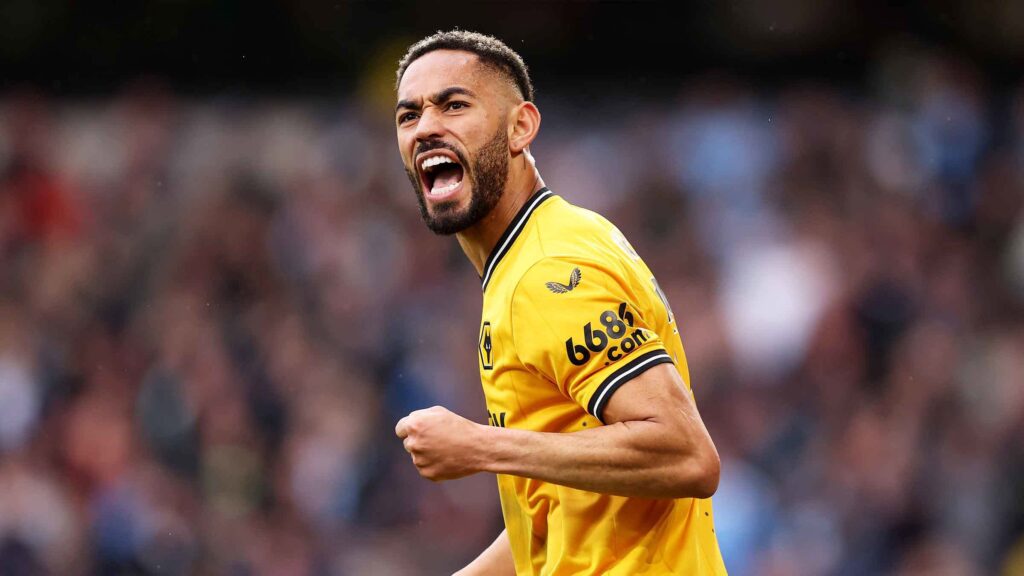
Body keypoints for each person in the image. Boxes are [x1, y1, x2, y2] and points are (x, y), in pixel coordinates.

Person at [393, 30, 728, 576]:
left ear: (520, 127)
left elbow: (685, 454)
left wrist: (480, 446)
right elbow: (561, 507)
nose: (426, 126)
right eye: (409, 115)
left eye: (454, 105)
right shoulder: (537, 250)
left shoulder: (548, 273)